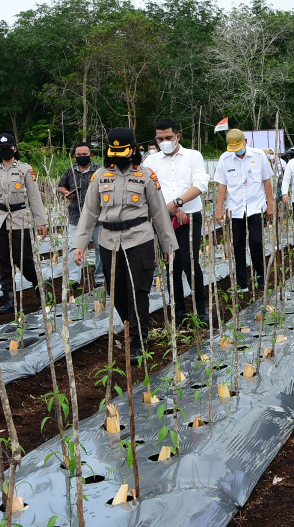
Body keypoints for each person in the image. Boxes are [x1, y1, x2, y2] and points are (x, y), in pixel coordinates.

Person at [72, 128, 177, 363]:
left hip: (139, 239)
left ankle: (138, 339)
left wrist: (168, 245)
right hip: (108, 241)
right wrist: (80, 243)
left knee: (138, 291)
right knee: (116, 292)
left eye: (123, 152)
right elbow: (89, 212)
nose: (118, 157)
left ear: (133, 150)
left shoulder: (145, 175)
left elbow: (159, 212)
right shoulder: (100, 176)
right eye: (114, 152)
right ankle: (130, 325)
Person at [144, 118, 210, 326]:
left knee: (191, 263)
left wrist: (178, 203)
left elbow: (200, 184)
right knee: (171, 264)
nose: (164, 142)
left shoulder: (193, 156)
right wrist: (169, 210)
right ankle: (178, 312)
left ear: (178, 136)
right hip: (163, 219)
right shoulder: (150, 162)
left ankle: (201, 310)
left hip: (190, 216)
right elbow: (149, 190)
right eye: (160, 139)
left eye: (168, 137)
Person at [0, 132, 48, 314]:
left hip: (20, 220)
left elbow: (34, 198)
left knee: (24, 260)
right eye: (1, 148)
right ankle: (9, 300)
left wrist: (41, 221)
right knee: (3, 262)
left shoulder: (25, 170)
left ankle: (40, 289)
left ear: (15, 149)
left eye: (8, 147)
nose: (5, 151)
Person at [213, 129, 275, 292]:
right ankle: (242, 283)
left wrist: (270, 204)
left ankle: (260, 276)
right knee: (238, 245)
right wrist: (219, 208)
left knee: (256, 243)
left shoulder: (259, 156)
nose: (237, 151)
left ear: (246, 142)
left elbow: (267, 181)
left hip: (256, 206)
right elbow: (222, 185)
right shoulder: (225, 159)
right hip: (235, 209)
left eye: (239, 147)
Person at [56, 142, 105, 290]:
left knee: (100, 247)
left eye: (85, 154)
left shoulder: (99, 171)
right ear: (75, 156)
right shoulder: (70, 171)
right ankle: (73, 279)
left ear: (91, 155)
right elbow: (61, 186)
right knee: (74, 246)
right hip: (76, 215)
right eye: (79, 155)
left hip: (97, 217)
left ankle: (100, 278)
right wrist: (66, 192)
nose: (82, 157)